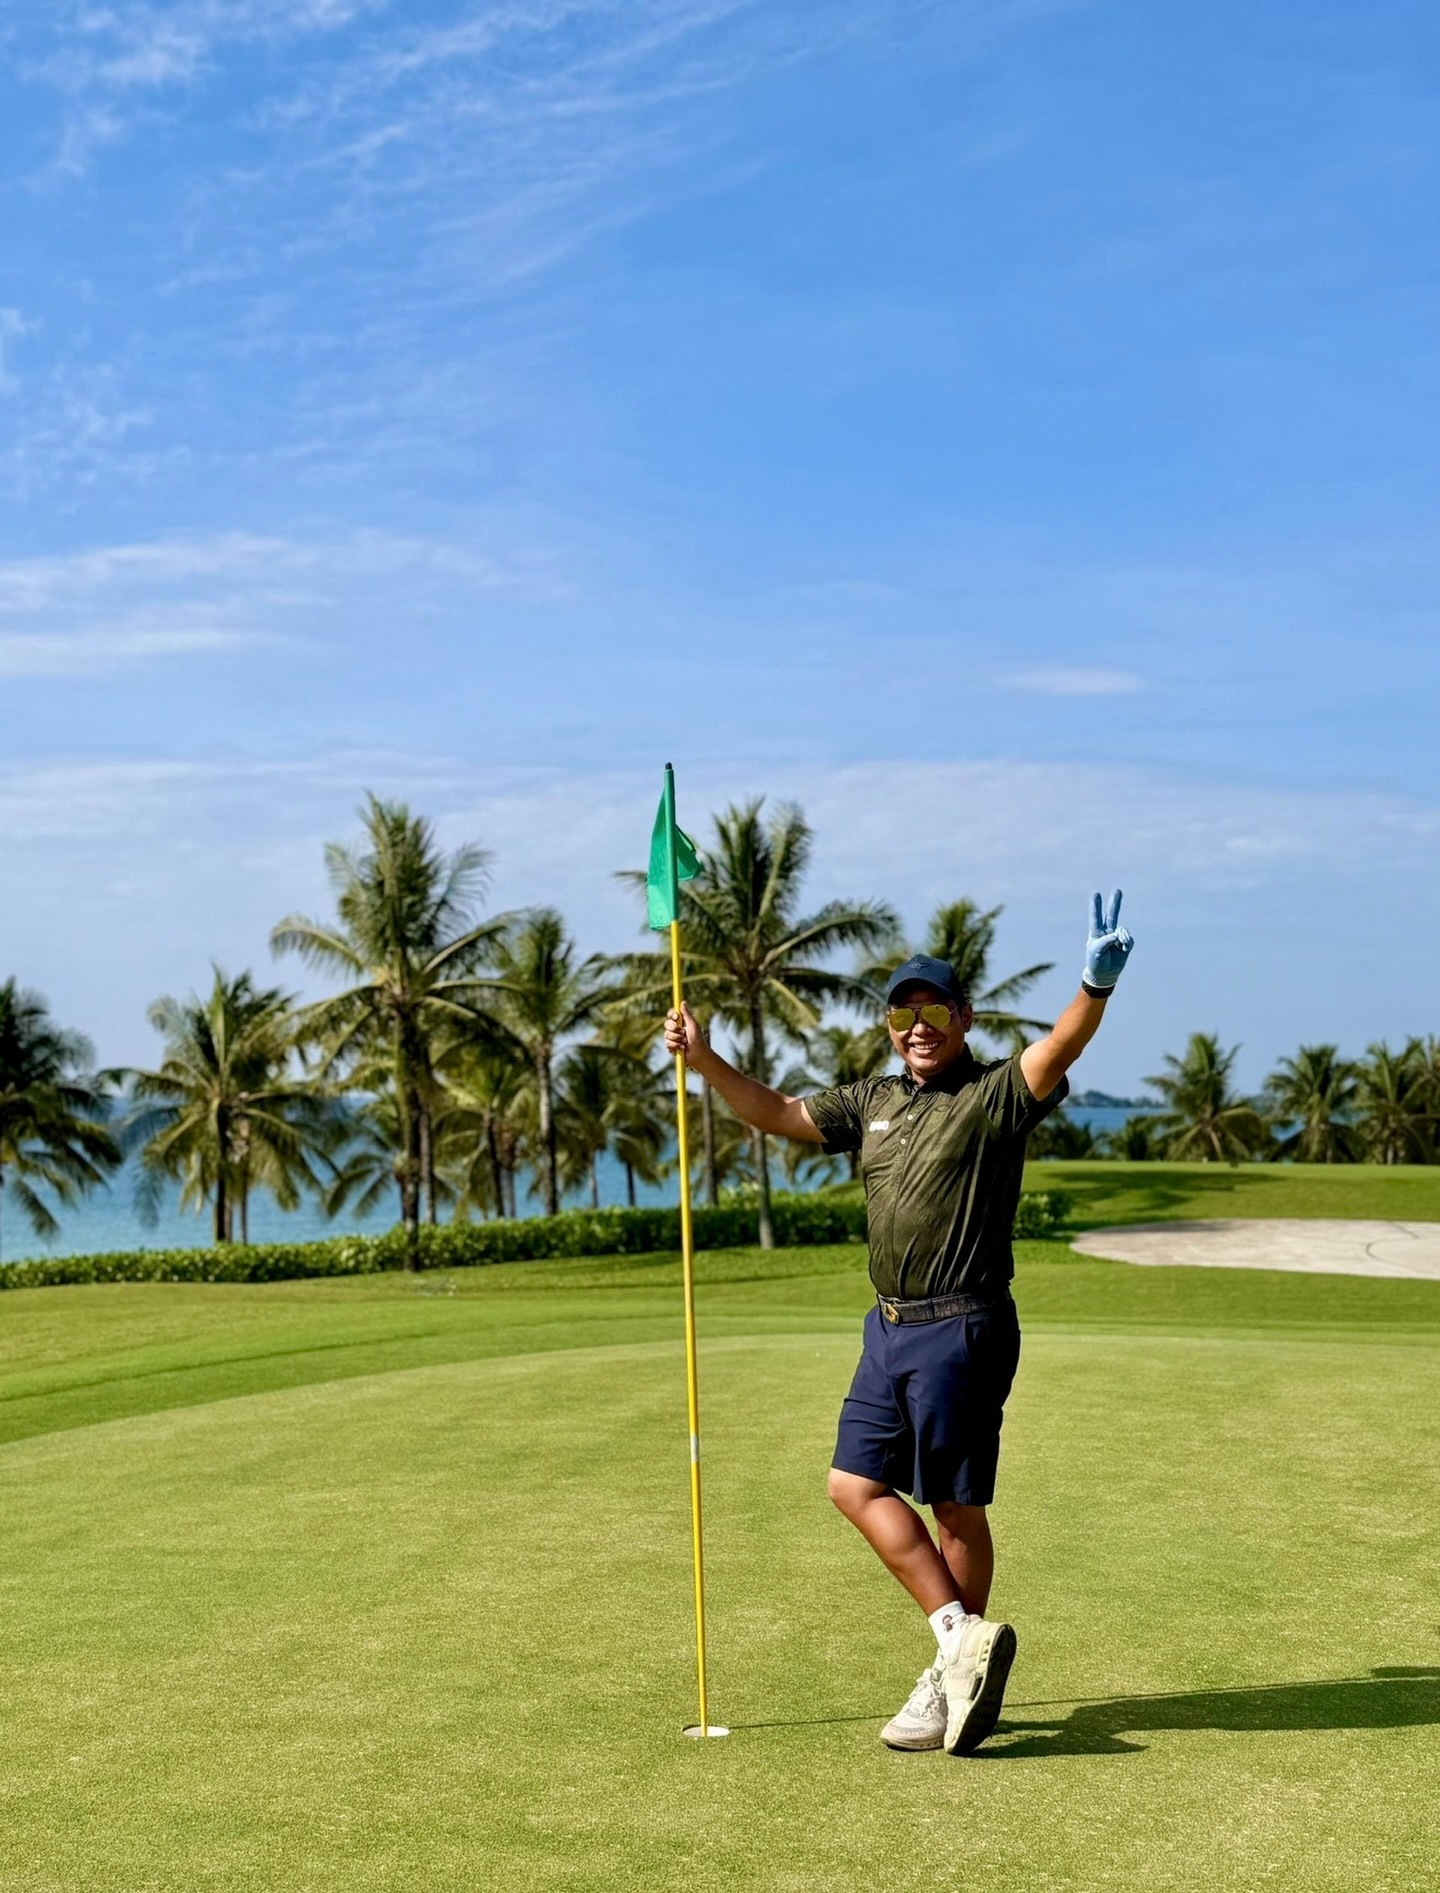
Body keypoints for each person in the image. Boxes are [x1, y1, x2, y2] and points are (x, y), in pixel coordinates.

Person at [663, 891, 1134, 1757]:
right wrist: (706, 1060)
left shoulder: (994, 1095)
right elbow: (777, 1113)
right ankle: (959, 1641)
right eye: (902, 1012)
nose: (917, 1025)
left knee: (955, 1510)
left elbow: (1060, 1045)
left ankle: (952, 1668)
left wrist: (1092, 988)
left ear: (962, 1018)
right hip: (886, 1327)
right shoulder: (871, 1099)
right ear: (889, 1024)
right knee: (853, 1484)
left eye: (933, 1011)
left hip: (963, 1325)